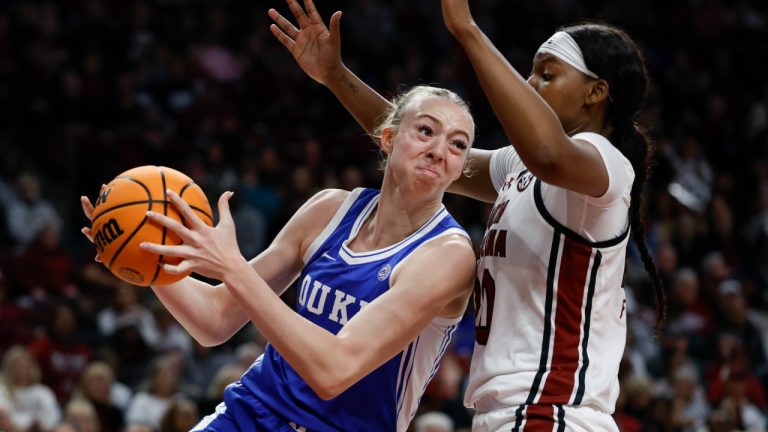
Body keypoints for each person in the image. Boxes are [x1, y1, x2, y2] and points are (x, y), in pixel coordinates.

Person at [268, 0, 667, 430]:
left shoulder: (605, 165)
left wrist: (466, 29)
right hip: (510, 411)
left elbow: (549, 152)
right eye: (531, 72)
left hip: (552, 412)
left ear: (596, 92)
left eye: (547, 74)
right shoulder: (519, 166)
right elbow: (415, 145)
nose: (530, 84)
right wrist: (334, 76)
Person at [80, 84, 477, 431]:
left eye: (458, 144)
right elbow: (215, 319)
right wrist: (146, 252)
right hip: (250, 413)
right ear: (388, 138)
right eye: (426, 130)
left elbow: (334, 370)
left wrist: (232, 267)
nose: (440, 151)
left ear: (461, 168)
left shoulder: (448, 255)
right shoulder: (329, 209)